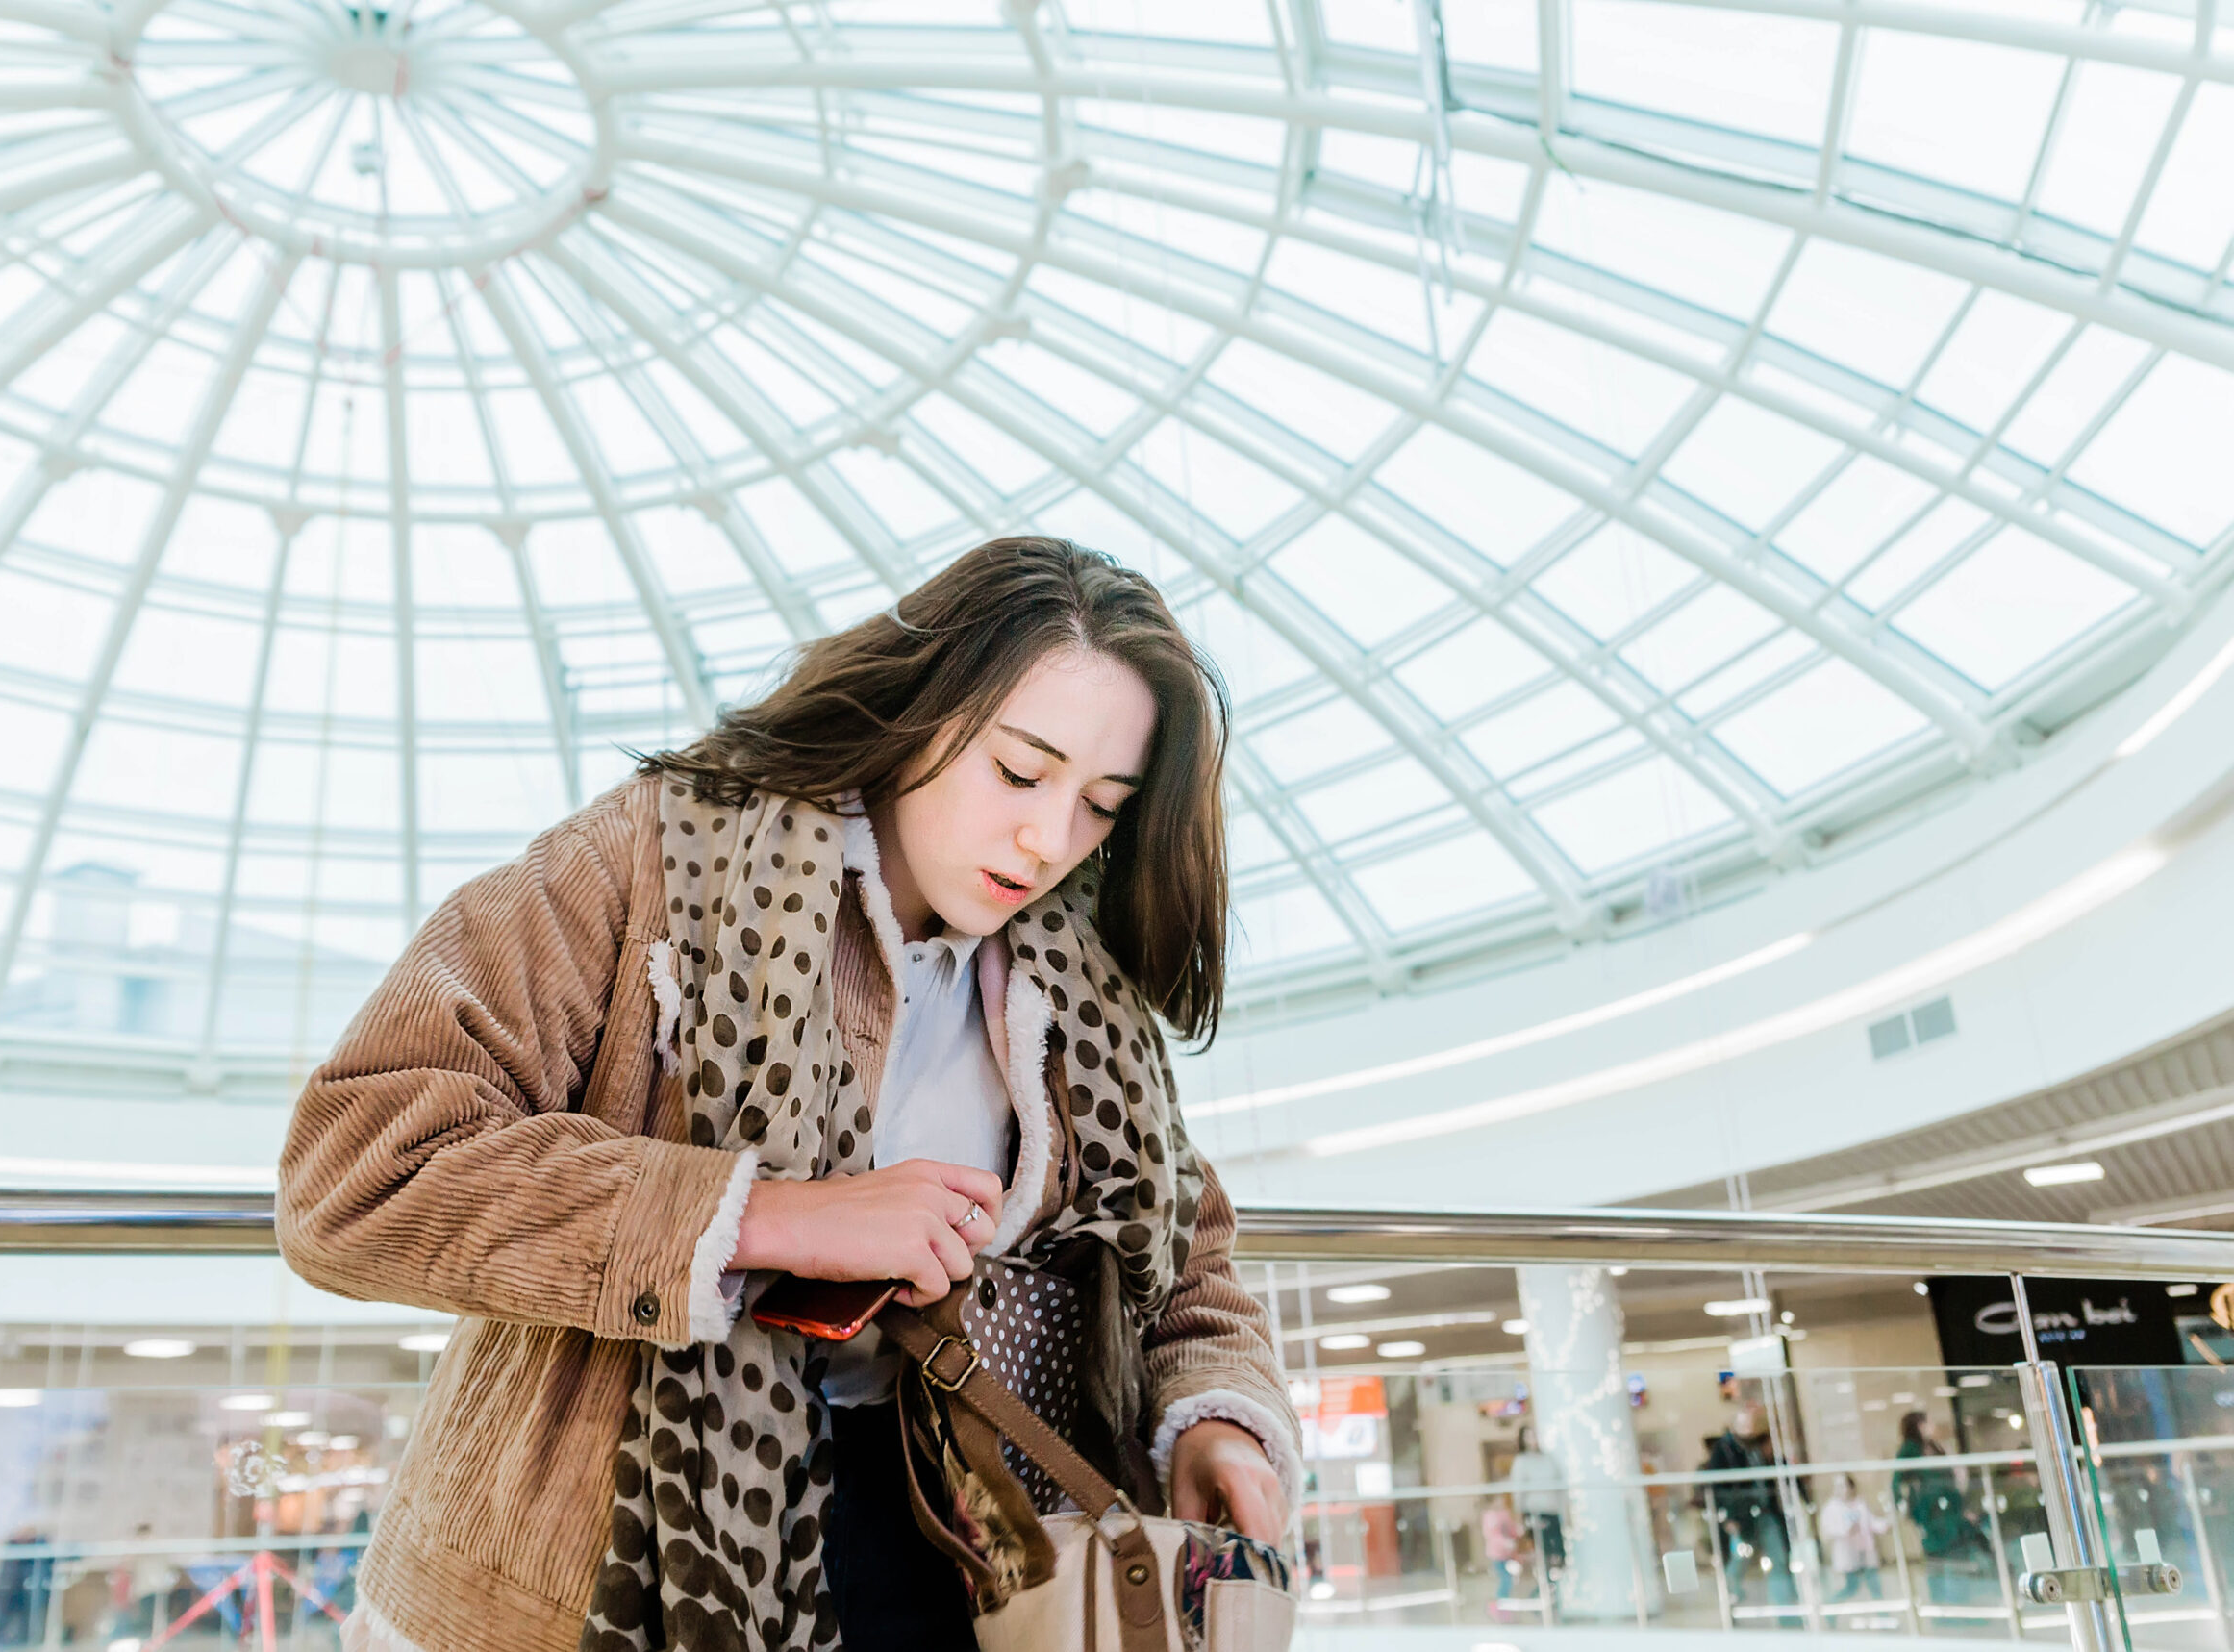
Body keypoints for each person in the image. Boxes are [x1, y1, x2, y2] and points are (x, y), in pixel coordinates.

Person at [276, 538, 1299, 1652]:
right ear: (922, 710)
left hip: (967, 1556)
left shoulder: (1080, 990)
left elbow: (1183, 1264)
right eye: (1018, 771)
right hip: (592, 1567)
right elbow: (358, 1168)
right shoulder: (652, 857)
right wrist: (771, 1215)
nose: (1048, 840)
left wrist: (1219, 1419)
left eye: (1103, 803)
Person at [1895, 1409, 1991, 1605]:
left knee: (1957, 1558)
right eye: (1928, 1422)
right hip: (1931, 1516)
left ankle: (1960, 1605)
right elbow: (1898, 1483)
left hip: (1949, 1512)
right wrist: (1910, 1511)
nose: (1933, 1427)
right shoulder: (1909, 1451)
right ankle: (1942, 1608)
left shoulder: (1933, 1447)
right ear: (1919, 1426)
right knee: (1938, 1561)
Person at [1702, 1404, 1794, 1608]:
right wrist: (1727, 1517)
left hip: (1766, 1511)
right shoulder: (1725, 1449)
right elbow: (1717, 1487)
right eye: (1744, 1424)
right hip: (1742, 1515)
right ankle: (1730, 1595)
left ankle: (1784, 1604)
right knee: (1741, 1559)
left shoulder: (1760, 1446)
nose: (1749, 1429)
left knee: (1777, 1557)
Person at [1817, 1474, 1891, 1602]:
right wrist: (1845, 1531)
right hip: (1849, 1554)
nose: (1839, 1490)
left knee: (1875, 1587)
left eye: (1843, 1486)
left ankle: (1883, 1616)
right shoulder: (1831, 1508)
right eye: (1837, 1486)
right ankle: (1830, 1607)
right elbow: (1828, 1530)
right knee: (1852, 1588)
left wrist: (1885, 1525)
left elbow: (1871, 1522)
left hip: (1865, 1552)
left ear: (1851, 1487)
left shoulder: (1860, 1504)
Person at [1509, 1423, 1567, 1578]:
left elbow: (1559, 1487)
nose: (1533, 1439)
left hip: (1553, 1512)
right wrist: (1519, 1517)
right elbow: (1518, 1491)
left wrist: (1565, 1512)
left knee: (1560, 1555)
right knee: (1546, 1554)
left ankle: (1555, 1589)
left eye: (1535, 1434)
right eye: (1528, 1436)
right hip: (1535, 1513)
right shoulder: (1521, 1461)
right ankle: (1547, 1590)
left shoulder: (1549, 1459)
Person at [1482, 1494, 1530, 1618]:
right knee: (1506, 1579)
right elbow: (1492, 1535)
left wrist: (1517, 1531)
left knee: (1509, 1579)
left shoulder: (1504, 1513)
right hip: (1497, 1554)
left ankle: (1502, 1605)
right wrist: (1506, 1542)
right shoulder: (1490, 1516)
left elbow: (1511, 1528)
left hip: (1508, 1554)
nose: (1501, 1502)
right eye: (1498, 1500)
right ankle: (1498, 1606)